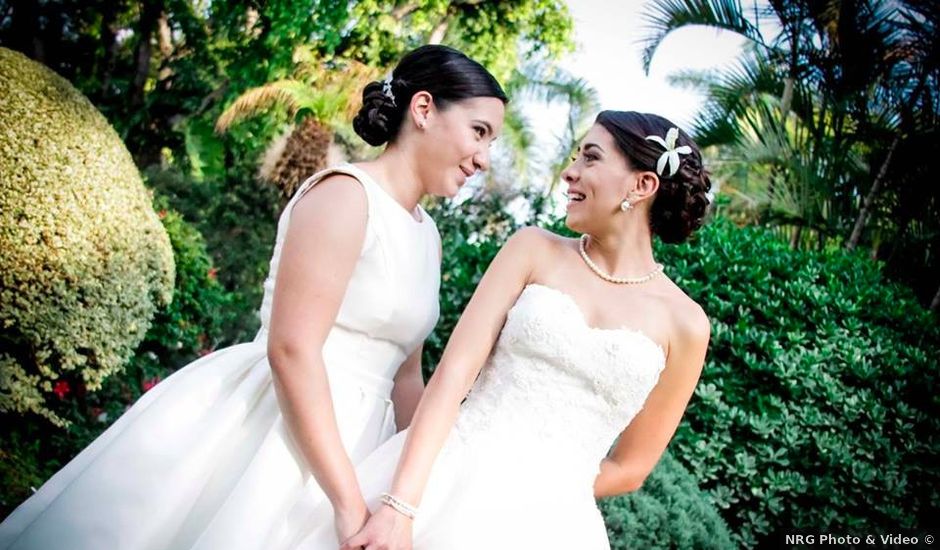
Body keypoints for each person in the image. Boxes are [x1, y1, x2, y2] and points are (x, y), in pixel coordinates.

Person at [0, 44, 507, 550]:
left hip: (365, 447)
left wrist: (424, 479)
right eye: (479, 132)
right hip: (282, 432)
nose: (484, 158)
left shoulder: (428, 236)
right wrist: (349, 503)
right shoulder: (346, 194)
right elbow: (292, 349)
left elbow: (405, 374)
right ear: (423, 110)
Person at [293, 110, 713, 549]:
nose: (569, 173)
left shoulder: (686, 324)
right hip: (442, 485)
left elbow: (631, 467)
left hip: (549, 525)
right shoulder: (532, 249)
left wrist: (538, 494)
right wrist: (401, 506)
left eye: (590, 158)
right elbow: (451, 378)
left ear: (642, 185)